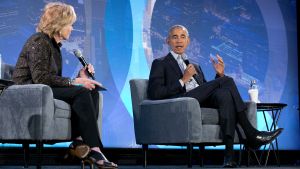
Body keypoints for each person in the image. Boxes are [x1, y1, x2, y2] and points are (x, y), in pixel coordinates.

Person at [147, 25, 283, 168]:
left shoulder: (195, 65)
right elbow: (154, 93)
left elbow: (206, 89)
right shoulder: (160, 63)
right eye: (175, 37)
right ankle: (251, 134)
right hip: (183, 101)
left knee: (225, 95)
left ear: (188, 41)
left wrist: (219, 75)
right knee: (228, 81)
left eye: (183, 37)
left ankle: (229, 157)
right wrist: (183, 80)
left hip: (199, 100)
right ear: (168, 41)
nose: (179, 41)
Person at [12, 2, 117, 169]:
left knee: (91, 91)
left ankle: (79, 143)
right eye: (70, 24)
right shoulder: (38, 41)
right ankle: (95, 150)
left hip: (43, 90)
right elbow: (40, 78)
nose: (72, 29)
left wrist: (80, 78)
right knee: (82, 92)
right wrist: (75, 83)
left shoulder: (54, 47)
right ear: (59, 24)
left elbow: (54, 80)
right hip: (29, 92)